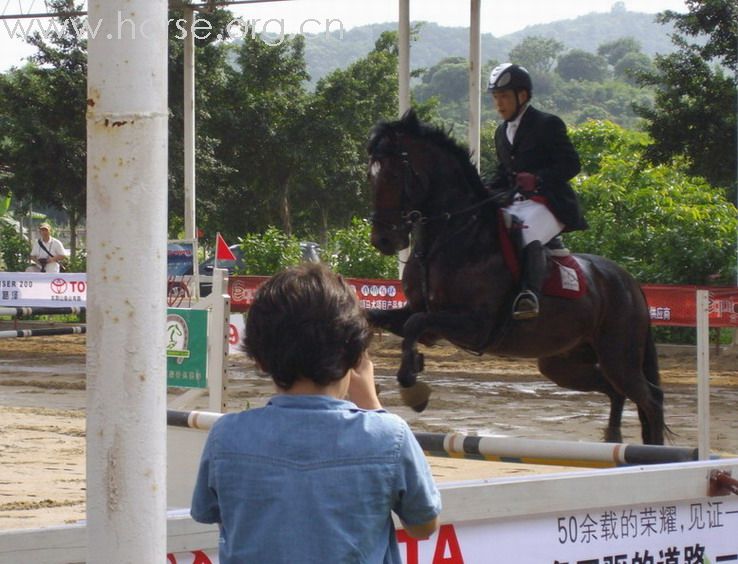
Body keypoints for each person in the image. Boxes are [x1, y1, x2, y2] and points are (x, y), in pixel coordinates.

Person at [191, 262, 441, 563]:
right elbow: (423, 526)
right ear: (355, 354)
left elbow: (210, 512)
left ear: (259, 359)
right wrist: (373, 407)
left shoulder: (225, 436)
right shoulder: (390, 436)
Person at [485, 63, 587, 320]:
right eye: (496, 98)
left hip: (549, 202)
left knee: (526, 232)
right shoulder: (501, 132)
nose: (499, 104)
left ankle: (529, 295)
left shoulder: (547, 124)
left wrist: (539, 179)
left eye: (505, 97)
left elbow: (571, 164)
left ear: (523, 96)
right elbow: (503, 173)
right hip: (517, 201)